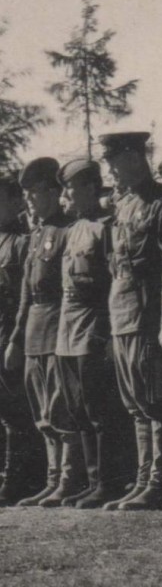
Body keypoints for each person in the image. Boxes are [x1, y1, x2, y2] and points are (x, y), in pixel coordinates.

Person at [95, 132, 162, 512]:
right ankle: (144, 477)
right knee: (134, 404)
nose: (111, 169)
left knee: (154, 402)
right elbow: (113, 265)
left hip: (149, 317)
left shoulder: (160, 204)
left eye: (114, 161)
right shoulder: (124, 205)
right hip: (123, 315)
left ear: (134, 157)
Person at [7, 159, 78, 506]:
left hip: (57, 325)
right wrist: (15, 338)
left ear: (53, 192)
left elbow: (70, 289)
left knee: (60, 406)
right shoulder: (36, 235)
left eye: (35, 193)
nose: (30, 201)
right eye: (27, 195)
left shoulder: (68, 231)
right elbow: (25, 293)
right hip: (34, 327)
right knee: (42, 412)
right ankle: (51, 481)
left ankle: (67, 479)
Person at [49, 159, 119, 509]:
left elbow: (113, 284)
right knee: (76, 409)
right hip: (68, 328)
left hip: (92, 323)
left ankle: (106, 482)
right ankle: (90, 481)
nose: (66, 195)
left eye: (72, 188)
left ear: (92, 188)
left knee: (98, 409)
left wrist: (104, 332)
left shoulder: (107, 228)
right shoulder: (75, 228)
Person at [0, 177, 39, 505]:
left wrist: (16, 339)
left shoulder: (23, 242)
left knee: (15, 412)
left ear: (16, 203)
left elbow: (24, 299)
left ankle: (16, 481)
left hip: (12, 335)